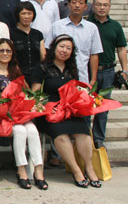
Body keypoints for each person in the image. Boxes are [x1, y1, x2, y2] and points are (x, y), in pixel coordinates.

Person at [31, 35, 101, 188]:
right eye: (62, 46)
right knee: (61, 134)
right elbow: (35, 94)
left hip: (69, 110)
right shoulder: (42, 68)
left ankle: (89, 168)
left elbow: (75, 90)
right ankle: (77, 171)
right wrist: (48, 106)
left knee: (83, 132)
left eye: (69, 48)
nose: (65, 50)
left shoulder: (71, 69)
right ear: (54, 48)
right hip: (50, 112)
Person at [0, 38, 46, 190]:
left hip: (19, 114)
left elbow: (26, 92)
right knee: (20, 131)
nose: (5, 53)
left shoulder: (16, 71)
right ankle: (21, 170)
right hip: (1, 116)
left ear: (12, 53)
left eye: (8, 51)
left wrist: (34, 101)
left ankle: (38, 170)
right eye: (1, 50)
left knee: (32, 130)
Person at [88, 0, 128, 148]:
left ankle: (98, 138)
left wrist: (125, 70)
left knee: (103, 107)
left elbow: (121, 49)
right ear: (93, 6)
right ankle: (85, 136)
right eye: (99, 4)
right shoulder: (87, 23)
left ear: (110, 7)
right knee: (85, 106)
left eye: (105, 5)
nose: (102, 8)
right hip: (88, 71)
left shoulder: (115, 26)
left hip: (108, 71)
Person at [47, 0, 103, 84]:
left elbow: (94, 54)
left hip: (82, 77)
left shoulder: (92, 28)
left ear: (86, 7)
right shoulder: (57, 26)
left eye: (81, 3)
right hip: (59, 77)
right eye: (74, 2)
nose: (77, 5)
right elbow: (48, 50)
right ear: (69, 5)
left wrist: (93, 79)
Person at [10, 1, 46, 81]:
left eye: (29, 13)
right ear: (18, 15)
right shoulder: (11, 33)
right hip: (17, 75)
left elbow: (43, 57)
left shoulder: (38, 34)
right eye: (23, 13)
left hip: (37, 75)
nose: (26, 17)